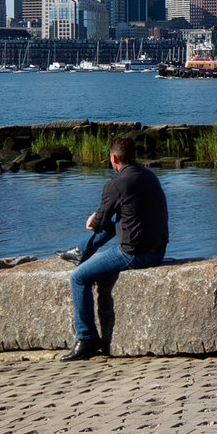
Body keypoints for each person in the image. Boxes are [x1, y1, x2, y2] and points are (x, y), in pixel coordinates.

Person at [64, 137, 170, 361]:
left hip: (135, 253)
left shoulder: (116, 185)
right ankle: (81, 250)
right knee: (119, 224)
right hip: (158, 249)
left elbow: (96, 224)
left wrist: (92, 217)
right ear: (134, 156)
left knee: (78, 278)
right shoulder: (150, 176)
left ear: (113, 158)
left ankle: (86, 338)